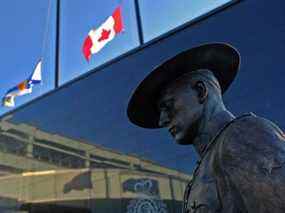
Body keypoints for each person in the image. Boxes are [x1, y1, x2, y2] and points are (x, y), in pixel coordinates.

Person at [127, 43, 285, 213]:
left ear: (200, 91)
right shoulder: (208, 162)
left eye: (168, 106)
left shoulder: (243, 135)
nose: (162, 120)